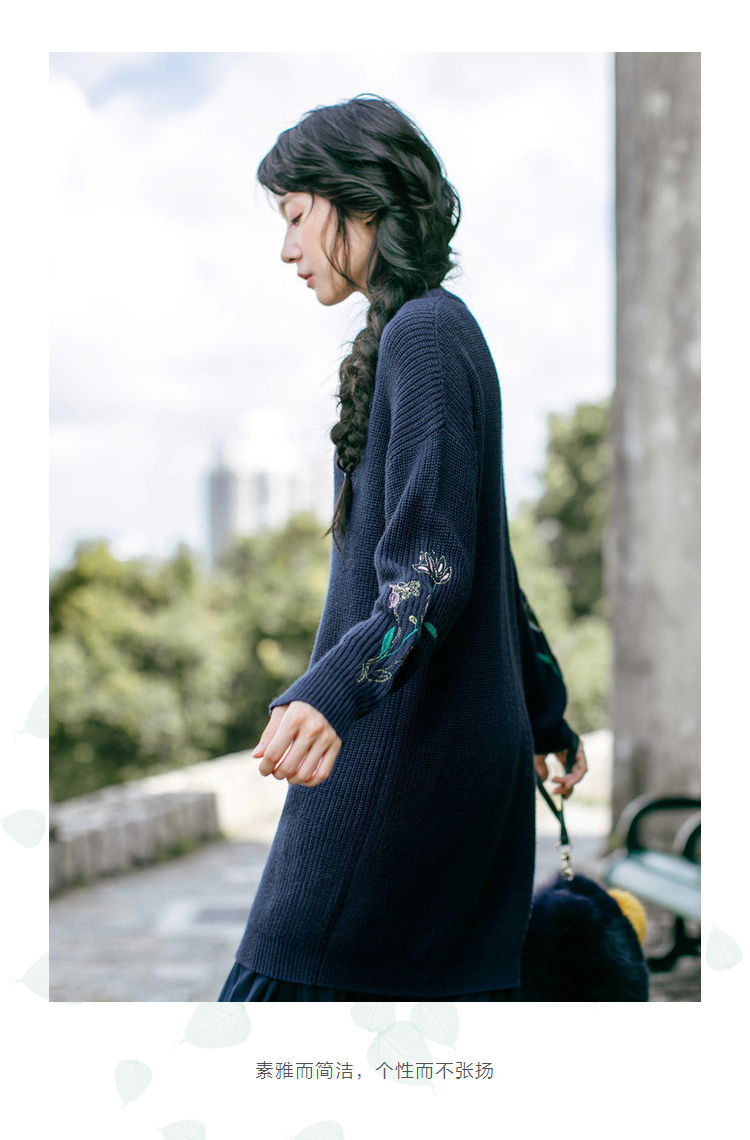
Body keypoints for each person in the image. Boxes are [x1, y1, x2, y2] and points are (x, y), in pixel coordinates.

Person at [217, 94, 587, 1002]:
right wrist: (545, 714)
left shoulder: (425, 334)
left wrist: (332, 693)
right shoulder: (430, 330)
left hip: (398, 760)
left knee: (277, 998)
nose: (286, 248)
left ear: (359, 201)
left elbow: (435, 570)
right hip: (443, 759)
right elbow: (488, 562)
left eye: (295, 215)